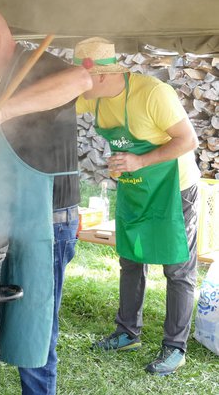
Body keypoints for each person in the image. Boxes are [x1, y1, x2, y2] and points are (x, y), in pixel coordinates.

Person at [0, 6, 92, 394]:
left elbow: (80, 78)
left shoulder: (35, 65)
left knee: (36, 323)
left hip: (46, 219)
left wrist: (2, 111)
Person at [74, 37, 200, 375]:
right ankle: (127, 332)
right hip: (134, 188)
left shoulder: (153, 93)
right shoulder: (94, 99)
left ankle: (175, 347)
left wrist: (138, 161)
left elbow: (188, 140)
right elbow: (54, 105)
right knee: (130, 258)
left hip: (175, 187)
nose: (76, 85)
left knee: (177, 269)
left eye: (80, 77)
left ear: (99, 76)